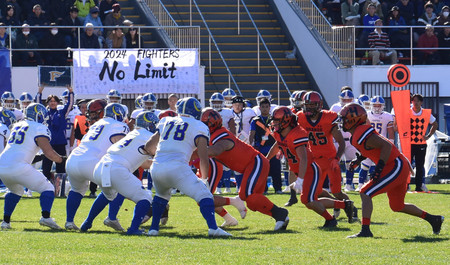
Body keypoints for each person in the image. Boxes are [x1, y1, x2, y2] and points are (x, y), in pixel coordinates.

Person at [339, 103, 444, 238]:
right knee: (397, 206)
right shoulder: (357, 134)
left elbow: (386, 146)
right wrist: (360, 159)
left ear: (353, 119)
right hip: (396, 165)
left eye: (344, 118)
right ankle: (434, 220)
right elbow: (372, 147)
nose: (342, 122)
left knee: (365, 192)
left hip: (394, 166)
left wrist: (379, 167)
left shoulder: (360, 132)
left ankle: (365, 230)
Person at [143, 97, 231, 237]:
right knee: (204, 195)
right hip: (178, 168)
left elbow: (149, 146)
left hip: (157, 167)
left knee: (161, 196)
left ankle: (153, 229)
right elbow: (203, 156)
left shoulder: (166, 120)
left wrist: (164, 152)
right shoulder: (199, 126)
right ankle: (213, 228)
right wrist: (204, 178)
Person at [201, 107, 289, 230]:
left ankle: (280, 213)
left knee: (248, 195)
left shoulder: (220, 134)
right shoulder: (214, 134)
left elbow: (216, 150)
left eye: (204, 123)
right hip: (250, 165)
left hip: (255, 162)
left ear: (211, 124)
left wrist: (194, 152)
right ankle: (279, 215)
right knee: (251, 202)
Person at [267, 106, 355, 227]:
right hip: (301, 170)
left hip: (309, 170)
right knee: (311, 199)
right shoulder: (280, 133)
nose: (274, 123)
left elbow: (303, 158)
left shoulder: (297, 133)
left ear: (286, 121)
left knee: (307, 200)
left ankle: (331, 220)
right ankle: (344, 205)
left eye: (277, 121)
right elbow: (277, 145)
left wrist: (300, 180)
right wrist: (266, 160)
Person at [81, 111, 157, 235]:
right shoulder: (148, 136)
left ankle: (87, 222)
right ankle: (133, 229)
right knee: (145, 197)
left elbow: (143, 162)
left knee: (108, 195)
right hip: (117, 168)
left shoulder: (132, 134)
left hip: (101, 166)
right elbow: (153, 150)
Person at [0, 103, 64, 230]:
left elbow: (20, 149)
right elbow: (48, 152)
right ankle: (46, 217)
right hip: (18, 166)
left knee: (15, 191)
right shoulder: (39, 128)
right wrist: (61, 160)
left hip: (2, 165)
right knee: (47, 188)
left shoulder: (17, 125)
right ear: (39, 115)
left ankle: (5, 222)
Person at [68, 102, 129, 231]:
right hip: (92, 161)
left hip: (74, 158)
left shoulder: (97, 124)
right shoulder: (120, 125)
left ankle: (69, 221)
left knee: (76, 190)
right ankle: (103, 219)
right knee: (118, 186)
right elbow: (121, 145)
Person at [297, 91, 357, 220]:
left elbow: (341, 143)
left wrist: (337, 158)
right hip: (314, 162)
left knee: (337, 191)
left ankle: (353, 211)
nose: (308, 108)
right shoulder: (300, 117)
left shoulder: (328, 117)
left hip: (330, 160)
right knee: (316, 192)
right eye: (307, 105)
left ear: (319, 105)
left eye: (312, 105)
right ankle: (337, 205)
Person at [36, 85, 74, 182]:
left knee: (61, 167)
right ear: (47, 103)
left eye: (54, 101)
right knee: (46, 168)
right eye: (50, 101)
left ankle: (60, 188)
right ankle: (46, 187)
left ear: (57, 102)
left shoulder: (62, 112)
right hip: (48, 144)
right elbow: (37, 105)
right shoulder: (44, 113)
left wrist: (70, 92)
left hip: (60, 143)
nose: (52, 103)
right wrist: (39, 93)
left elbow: (70, 104)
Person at [357, 96, 395, 191]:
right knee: (365, 164)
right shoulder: (366, 114)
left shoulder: (387, 116)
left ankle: (374, 184)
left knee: (377, 165)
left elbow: (390, 132)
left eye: (379, 105)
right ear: (371, 105)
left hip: (381, 143)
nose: (377, 107)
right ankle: (360, 184)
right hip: (368, 142)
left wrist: (391, 144)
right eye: (375, 105)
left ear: (383, 106)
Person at [249, 98, 282, 194]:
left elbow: (279, 133)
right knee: (262, 170)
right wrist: (251, 146)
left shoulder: (274, 119)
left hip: (273, 148)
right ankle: (263, 189)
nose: (265, 109)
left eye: (266, 107)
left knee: (276, 169)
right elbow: (252, 134)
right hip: (261, 149)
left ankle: (278, 189)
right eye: (262, 107)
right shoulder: (255, 120)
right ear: (259, 108)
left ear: (270, 107)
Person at [408, 94, 438, 192]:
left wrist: (428, 136)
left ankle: (419, 186)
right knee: (407, 165)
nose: (415, 103)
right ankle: (406, 185)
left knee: (420, 166)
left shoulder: (426, 113)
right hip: (409, 143)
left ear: (421, 102)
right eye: (413, 101)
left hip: (421, 143)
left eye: (417, 101)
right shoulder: (407, 111)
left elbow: (435, 124)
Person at [330, 89, 358, 191]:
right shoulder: (335, 107)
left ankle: (349, 184)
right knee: (335, 162)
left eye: (348, 99)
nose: (346, 102)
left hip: (350, 138)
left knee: (350, 163)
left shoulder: (356, 107)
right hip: (337, 138)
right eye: (344, 100)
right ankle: (336, 183)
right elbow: (330, 123)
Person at [232, 95, 256, 189]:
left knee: (249, 165)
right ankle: (239, 186)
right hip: (235, 144)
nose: (237, 106)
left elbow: (255, 125)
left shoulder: (249, 112)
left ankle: (250, 186)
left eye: (240, 104)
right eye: (235, 104)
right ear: (232, 105)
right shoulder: (229, 113)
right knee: (236, 166)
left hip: (248, 143)